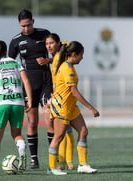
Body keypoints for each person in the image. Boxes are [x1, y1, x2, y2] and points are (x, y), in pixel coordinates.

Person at [0, 40, 32, 176]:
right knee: (17, 134)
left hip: (1, 104)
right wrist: (29, 100)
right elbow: (26, 80)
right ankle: (22, 152)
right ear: (6, 51)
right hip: (18, 103)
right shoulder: (15, 63)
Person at [8, 9, 52, 169]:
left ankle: (53, 158)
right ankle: (34, 160)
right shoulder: (15, 41)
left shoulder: (45, 34)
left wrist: (48, 60)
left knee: (50, 121)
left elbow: (59, 53)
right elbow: (10, 65)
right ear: (19, 25)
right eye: (22, 26)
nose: (26, 29)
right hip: (28, 86)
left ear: (33, 21)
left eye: (28, 25)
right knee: (32, 122)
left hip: (47, 82)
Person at [47, 41, 100, 175]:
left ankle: (82, 165)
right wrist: (91, 108)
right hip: (62, 107)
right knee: (58, 137)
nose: (82, 57)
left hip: (71, 107)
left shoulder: (69, 66)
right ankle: (52, 168)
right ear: (74, 54)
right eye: (81, 55)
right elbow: (74, 92)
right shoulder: (67, 68)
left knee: (83, 132)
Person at [45, 33, 75, 170]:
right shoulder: (58, 57)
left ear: (58, 44)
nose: (48, 46)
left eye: (51, 43)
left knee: (63, 133)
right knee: (65, 133)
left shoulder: (59, 58)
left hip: (62, 98)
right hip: (62, 98)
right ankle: (65, 162)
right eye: (47, 44)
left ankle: (64, 162)